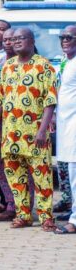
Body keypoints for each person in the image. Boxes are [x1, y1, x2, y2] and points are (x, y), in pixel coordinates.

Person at [0, 28, 57, 231]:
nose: (17, 42)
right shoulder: (7, 66)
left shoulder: (44, 65)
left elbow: (50, 101)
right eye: (14, 39)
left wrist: (42, 130)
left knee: (42, 175)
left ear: (32, 41)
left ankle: (46, 216)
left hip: (35, 134)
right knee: (15, 176)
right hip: (10, 134)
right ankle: (23, 215)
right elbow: (0, 99)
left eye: (22, 38)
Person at [0, 27, 18, 221]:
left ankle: (20, 207)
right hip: (1, 123)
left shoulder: (32, 64)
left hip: (22, 124)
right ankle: (8, 203)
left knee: (20, 167)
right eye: (6, 39)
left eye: (12, 39)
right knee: (1, 166)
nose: (8, 43)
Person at [54, 25, 76, 234]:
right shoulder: (65, 62)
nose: (64, 40)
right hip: (65, 126)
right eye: (62, 37)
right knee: (71, 173)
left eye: (69, 37)